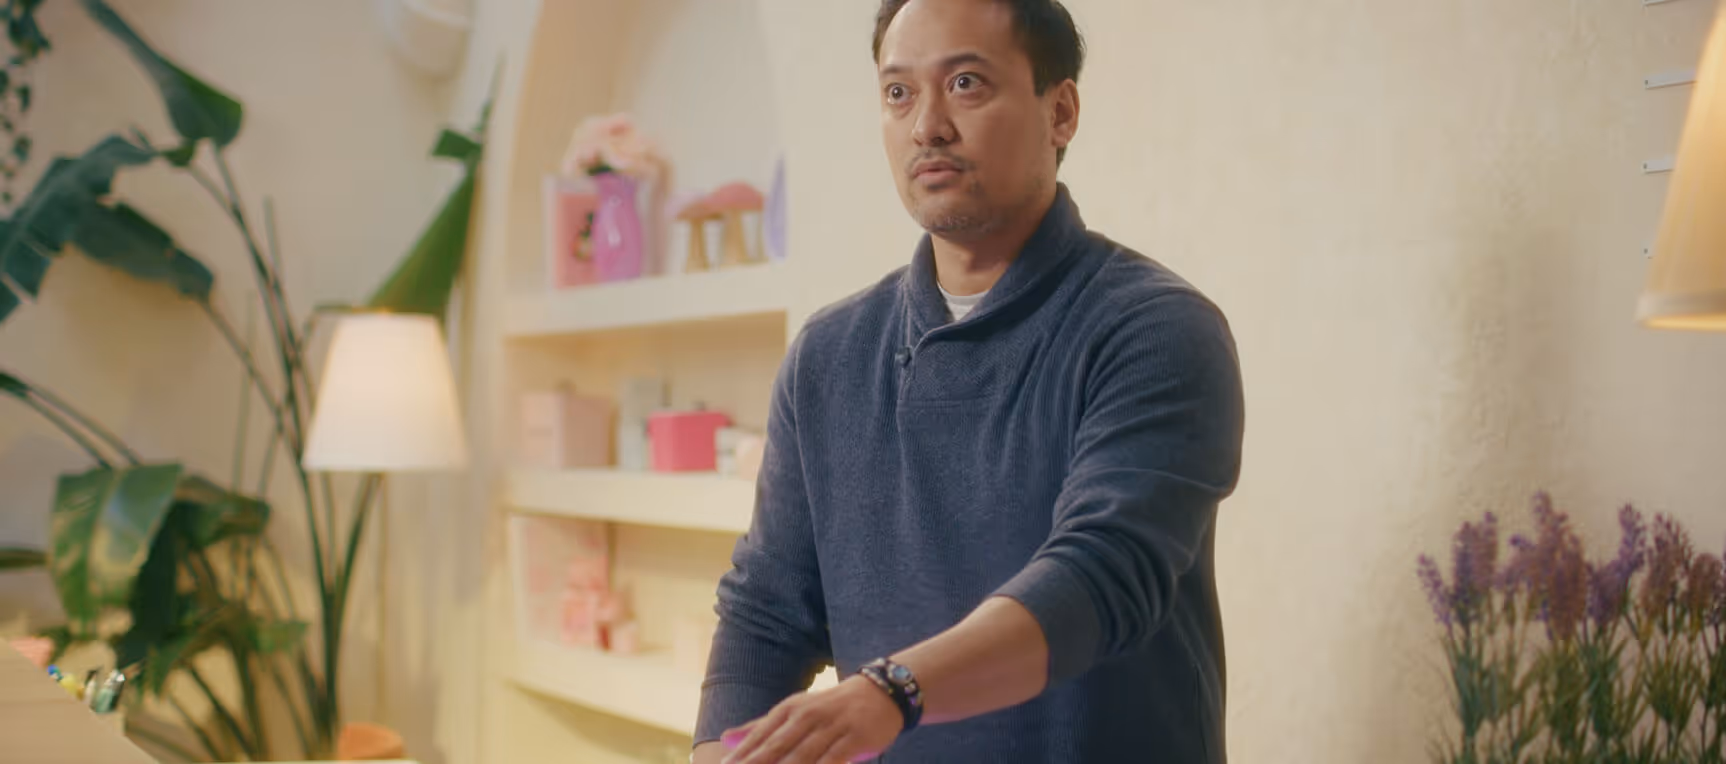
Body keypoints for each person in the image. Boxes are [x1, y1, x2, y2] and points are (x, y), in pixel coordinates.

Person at [692, 0, 1244, 761]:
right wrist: (717, 751)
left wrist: (892, 693)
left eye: (966, 84)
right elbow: (767, 611)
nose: (927, 126)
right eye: (899, 93)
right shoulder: (828, 355)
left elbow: (1102, 575)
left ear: (1060, 112)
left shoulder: (1154, 329)